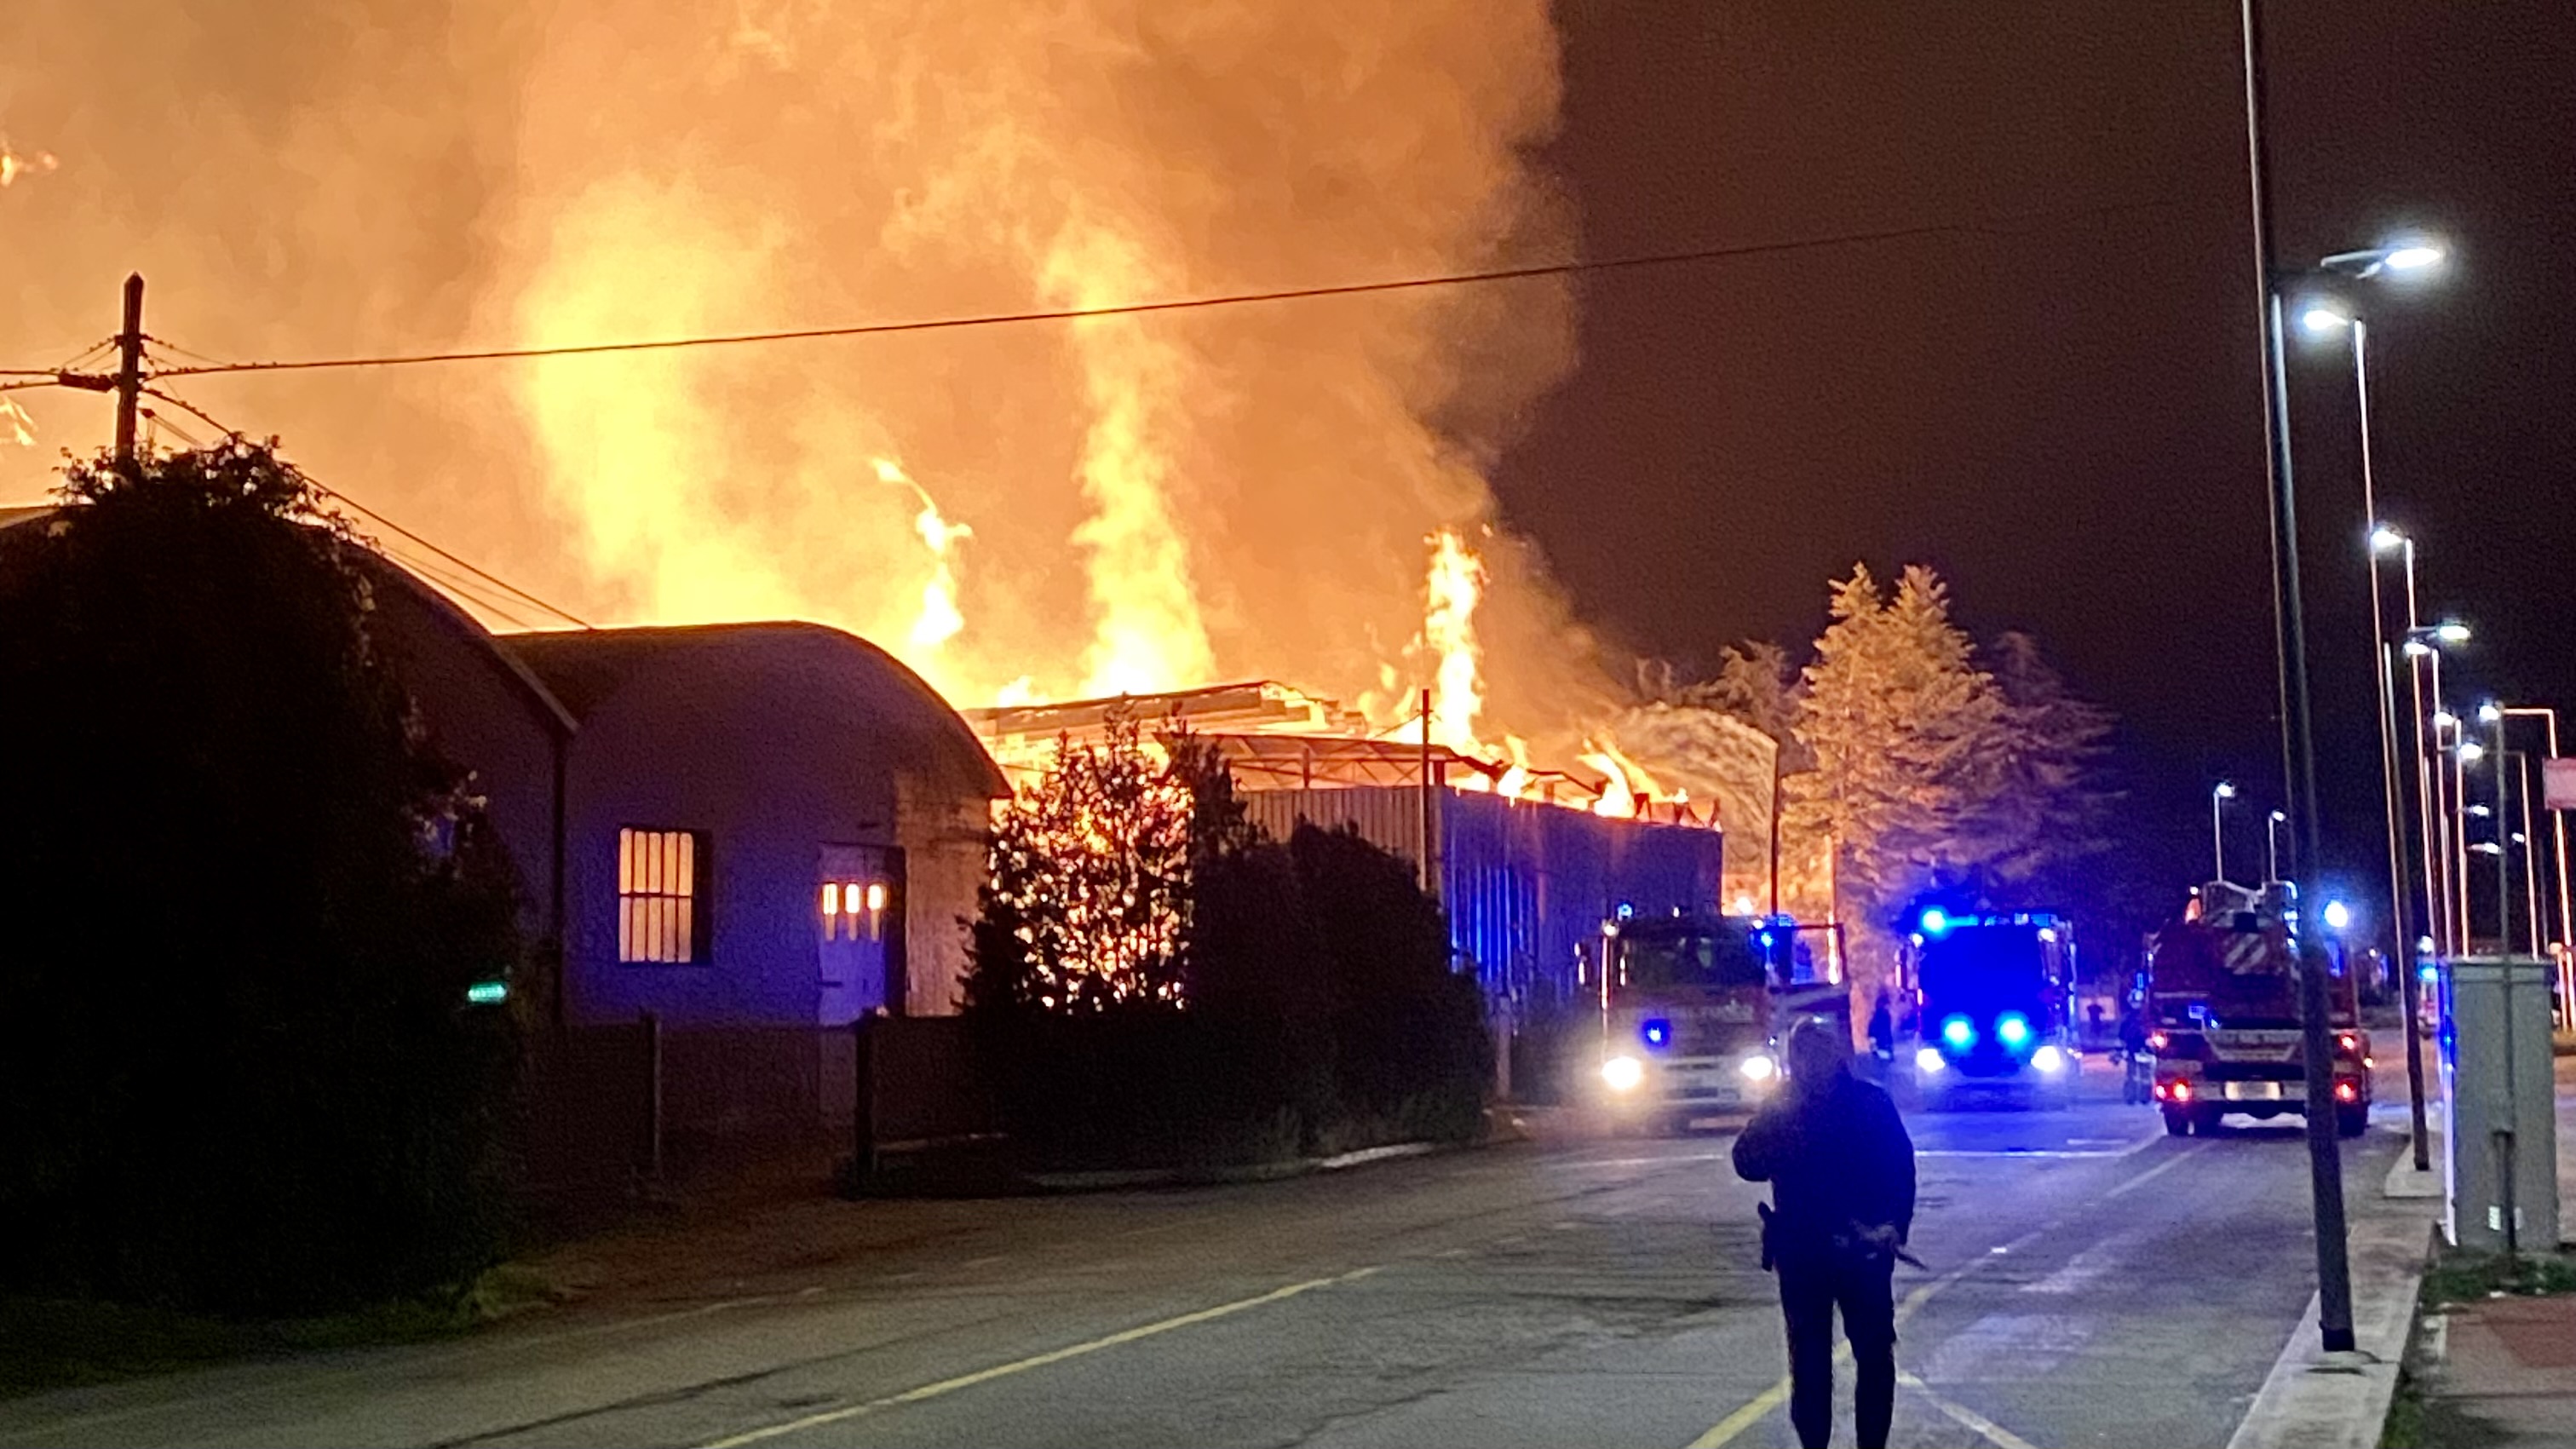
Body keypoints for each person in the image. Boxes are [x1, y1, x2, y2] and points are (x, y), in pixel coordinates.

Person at [1733, 1016, 1917, 1449]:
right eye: (1802, 1054)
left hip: (1861, 1248)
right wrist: (1776, 1125)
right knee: (1811, 1360)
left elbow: (1899, 1168)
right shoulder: (1783, 1106)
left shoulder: (1868, 1103)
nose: (1809, 1062)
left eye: (1817, 1052)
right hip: (1805, 1251)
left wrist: (1892, 1225)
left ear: (1836, 1055)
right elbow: (1746, 1162)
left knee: (1870, 1355)